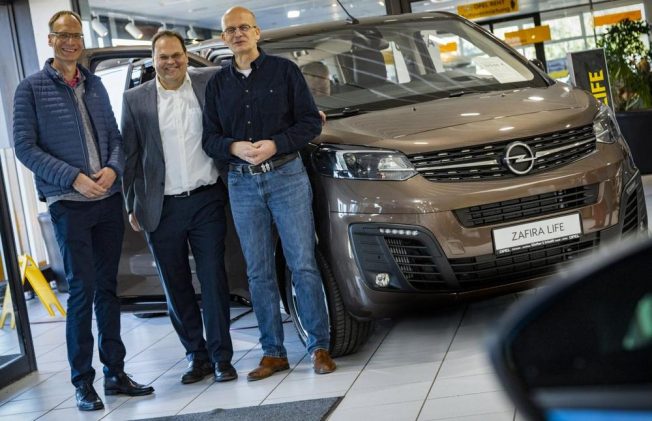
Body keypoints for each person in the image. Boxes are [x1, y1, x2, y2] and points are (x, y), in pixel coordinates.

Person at [12, 10, 153, 411]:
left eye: (76, 35)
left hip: (106, 199)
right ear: (51, 39)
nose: (71, 42)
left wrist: (113, 170)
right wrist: (73, 178)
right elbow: (25, 147)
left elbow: (114, 137)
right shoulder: (30, 89)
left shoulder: (94, 85)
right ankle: (82, 383)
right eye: (63, 35)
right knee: (81, 291)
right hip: (69, 203)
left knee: (108, 289)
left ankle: (115, 373)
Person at [202, 6, 336, 381]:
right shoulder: (216, 84)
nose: (238, 34)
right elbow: (209, 139)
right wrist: (233, 147)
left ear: (257, 32)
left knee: (302, 263)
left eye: (244, 27)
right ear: (224, 38)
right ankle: (273, 353)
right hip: (242, 182)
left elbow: (309, 123)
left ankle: (319, 347)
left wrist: (276, 143)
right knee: (258, 271)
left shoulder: (285, 71)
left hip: (286, 175)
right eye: (230, 30)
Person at [121, 30, 236, 384]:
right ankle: (196, 356)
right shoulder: (135, 99)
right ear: (152, 60)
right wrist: (131, 203)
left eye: (176, 55)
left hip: (206, 199)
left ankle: (221, 358)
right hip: (161, 206)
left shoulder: (209, 82)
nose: (170, 62)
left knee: (214, 279)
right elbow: (129, 155)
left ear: (186, 55)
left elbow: (247, 105)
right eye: (163, 57)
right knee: (176, 284)